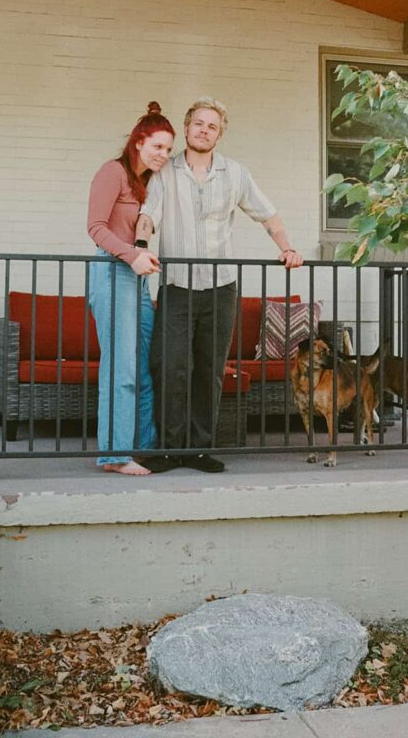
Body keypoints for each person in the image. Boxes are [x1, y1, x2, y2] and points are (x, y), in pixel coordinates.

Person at [135, 97, 303, 473]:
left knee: (209, 370)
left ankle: (198, 449)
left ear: (219, 135)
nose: (204, 130)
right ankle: (169, 450)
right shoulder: (165, 171)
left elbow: (268, 214)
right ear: (187, 127)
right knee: (170, 367)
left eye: (212, 126)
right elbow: (148, 215)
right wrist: (141, 246)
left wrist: (287, 247)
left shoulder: (236, 173)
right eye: (198, 123)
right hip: (176, 286)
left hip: (221, 288)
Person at [87, 102, 175, 475]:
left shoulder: (148, 183)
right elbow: (95, 227)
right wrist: (131, 255)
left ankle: (144, 447)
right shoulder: (113, 172)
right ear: (139, 142)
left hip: (138, 278)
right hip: (112, 272)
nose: (163, 155)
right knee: (120, 367)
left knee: (143, 366)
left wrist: (141, 258)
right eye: (157, 146)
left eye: (168, 149)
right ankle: (115, 455)